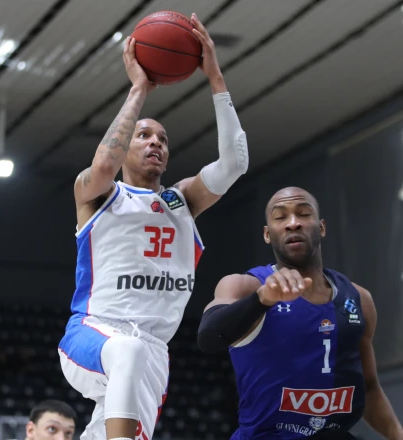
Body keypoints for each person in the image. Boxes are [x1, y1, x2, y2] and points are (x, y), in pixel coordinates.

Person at [58, 12, 249, 440]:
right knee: (125, 351)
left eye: (162, 139)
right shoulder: (98, 194)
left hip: (153, 351)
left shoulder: (182, 201)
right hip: (95, 332)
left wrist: (215, 78)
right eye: (144, 136)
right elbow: (103, 165)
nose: (155, 143)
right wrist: (139, 90)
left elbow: (235, 163)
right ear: (125, 145)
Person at [198, 187, 403, 439]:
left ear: (322, 227)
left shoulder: (359, 299)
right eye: (280, 217)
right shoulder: (245, 286)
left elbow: (369, 387)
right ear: (267, 234)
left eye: (304, 214)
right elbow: (209, 337)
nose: (293, 223)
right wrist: (262, 299)